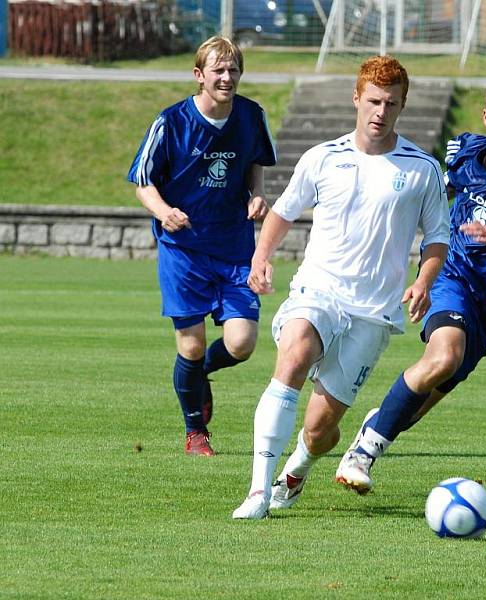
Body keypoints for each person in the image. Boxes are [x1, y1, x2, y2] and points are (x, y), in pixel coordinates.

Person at [335, 75, 486, 494]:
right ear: (485, 116)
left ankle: (375, 427)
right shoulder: (462, 153)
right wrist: (420, 272)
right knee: (444, 357)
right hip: (454, 278)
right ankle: (362, 455)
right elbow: (424, 200)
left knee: (412, 408)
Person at [231, 55, 450, 519]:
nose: (380, 112)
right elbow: (284, 211)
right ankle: (256, 493)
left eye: (391, 103)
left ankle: (298, 467)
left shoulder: (421, 169)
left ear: (402, 105)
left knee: (319, 430)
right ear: (356, 98)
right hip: (319, 290)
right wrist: (260, 257)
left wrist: (423, 282)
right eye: (373, 100)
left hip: (373, 312)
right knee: (293, 353)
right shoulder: (322, 157)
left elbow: (437, 239)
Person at [127, 35, 276, 456]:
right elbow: (143, 181)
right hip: (184, 250)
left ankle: (199, 375)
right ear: (199, 75)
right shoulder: (171, 122)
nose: (227, 78)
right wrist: (163, 212)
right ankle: (196, 434)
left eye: (233, 70)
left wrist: (257, 195)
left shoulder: (251, 116)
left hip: (233, 247)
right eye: (218, 70)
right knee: (189, 344)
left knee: (242, 344)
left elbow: (255, 165)